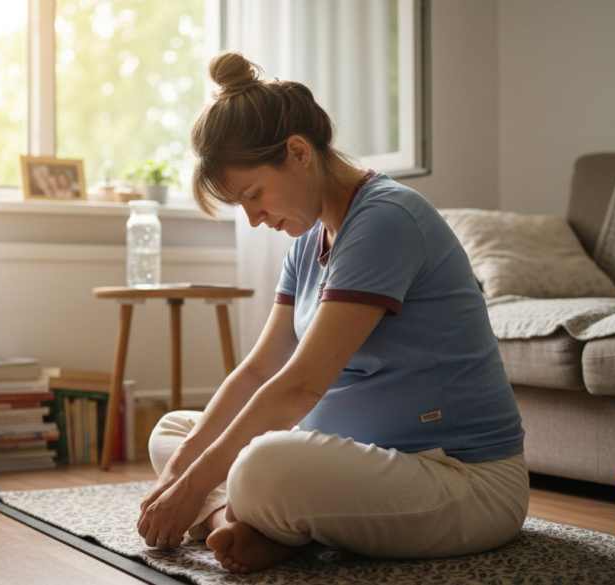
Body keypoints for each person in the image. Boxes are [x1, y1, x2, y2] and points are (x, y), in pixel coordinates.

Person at [136, 52, 528, 575]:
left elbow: (299, 385)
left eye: (253, 194)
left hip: (461, 481)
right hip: (357, 463)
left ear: (298, 152)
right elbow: (258, 370)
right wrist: (181, 474)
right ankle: (263, 526)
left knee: (258, 465)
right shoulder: (310, 239)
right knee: (175, 431)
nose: (253, 219)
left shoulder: (386, 220)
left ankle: (250, 519)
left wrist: (192, 488)